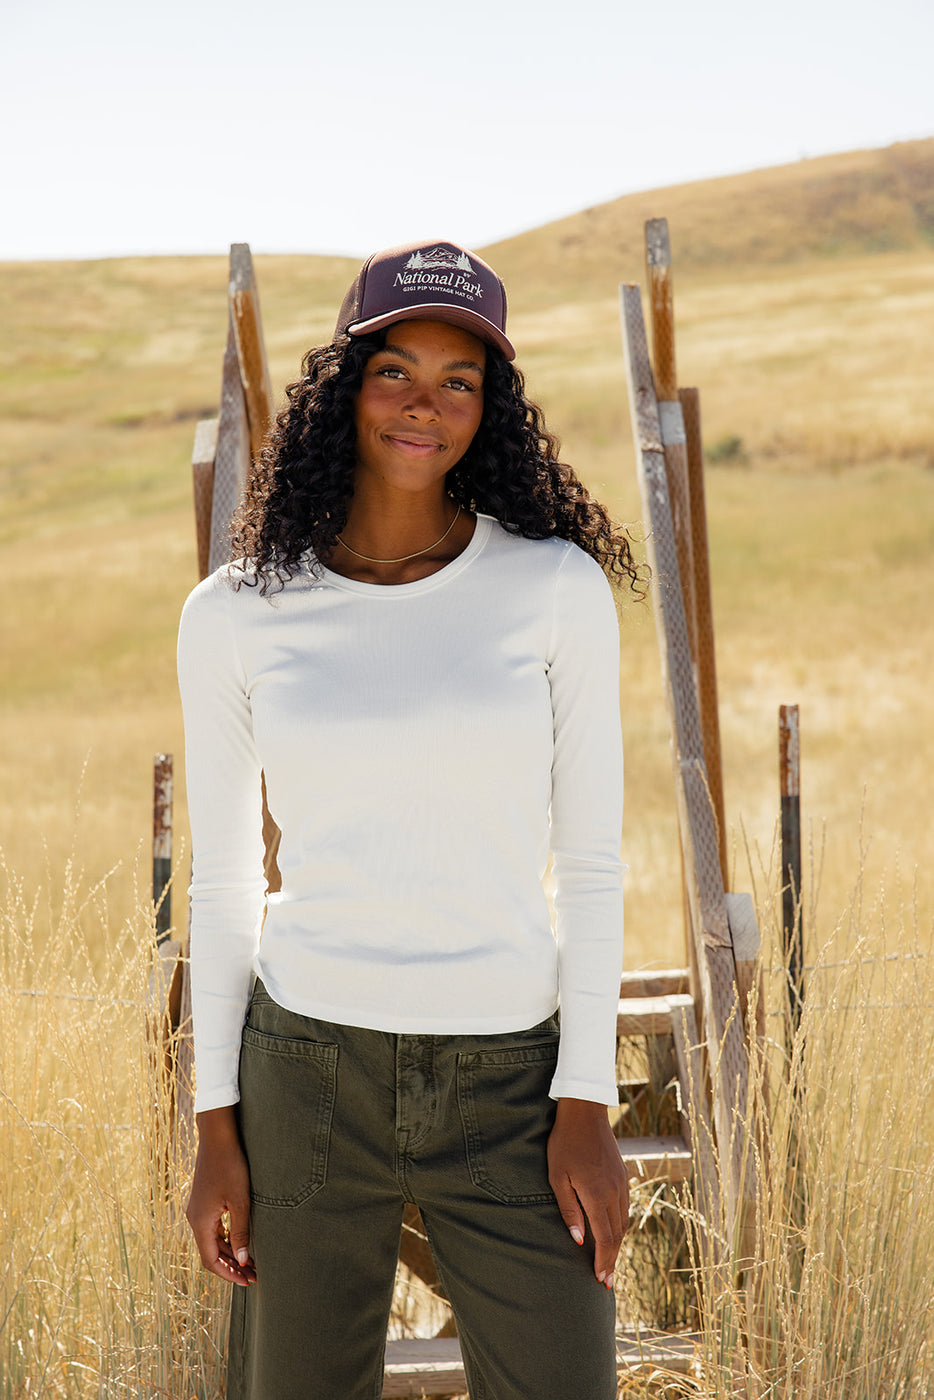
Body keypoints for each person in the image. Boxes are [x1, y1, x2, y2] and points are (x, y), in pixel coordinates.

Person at [177, 239, 643, 1400]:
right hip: (303, 1072)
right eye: (395, 369)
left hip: (509, 1079)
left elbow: (590, 862)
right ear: (344, 385)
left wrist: (586, 1101)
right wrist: (213, 1124)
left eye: (459, 378)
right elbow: (228, 878)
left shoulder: (552, 589)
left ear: (493, 406)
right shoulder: (237, 611)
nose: (424, 403)